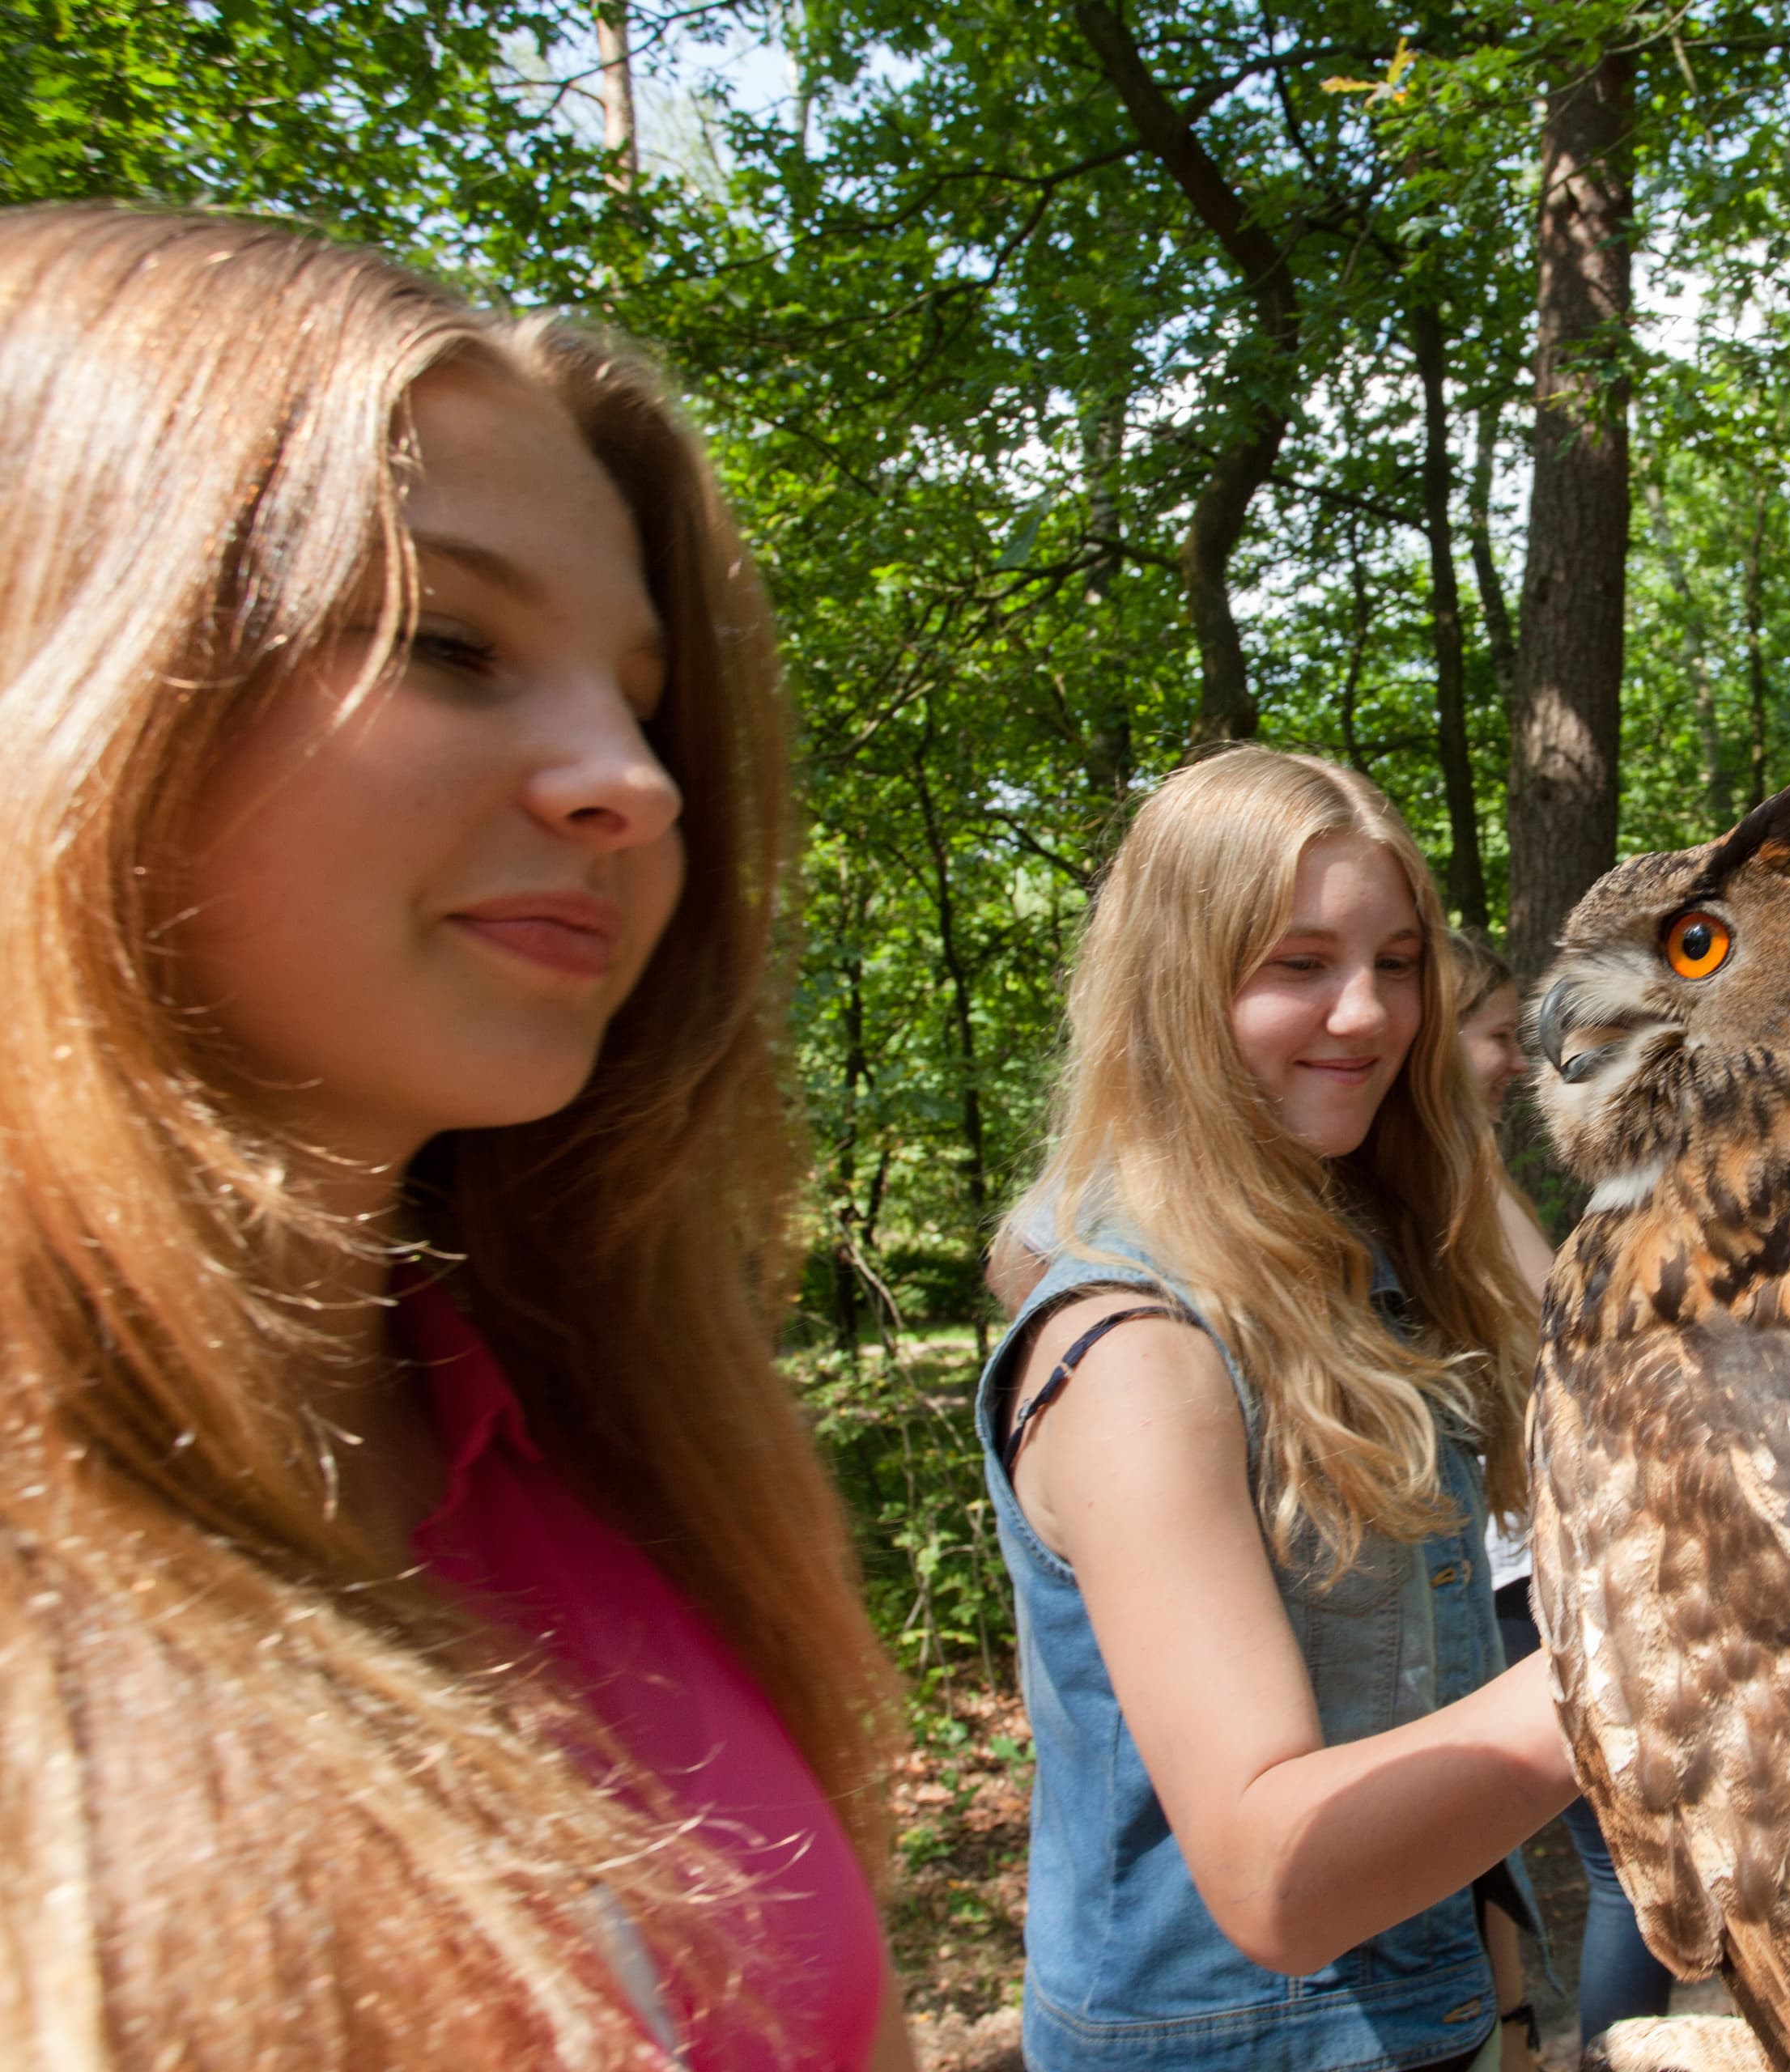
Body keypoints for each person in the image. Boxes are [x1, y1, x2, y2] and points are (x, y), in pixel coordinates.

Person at [0, 206, 908, 2066]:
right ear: (72, 658)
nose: (637, 783)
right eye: (447, 638)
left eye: (647, 706)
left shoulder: (594, 1449)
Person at [979, 749, 1578, 2072]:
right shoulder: (1135, 1346)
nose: (1366, 1015)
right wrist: (1659, 1667)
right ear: (1179, 985)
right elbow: (1275, 1875)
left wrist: (1505, 1989)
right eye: (1298, 965)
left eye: (1401, 961)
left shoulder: (1364, 1263)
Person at [1448, 929, 1680, 2057]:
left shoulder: (1461, 1179)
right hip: (1503, 1571)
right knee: (1626, 1861)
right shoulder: (1452, 1183)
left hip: (1503, 1560)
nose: (1514, 1060)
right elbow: (1568, 1350)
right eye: (1496, 1036)